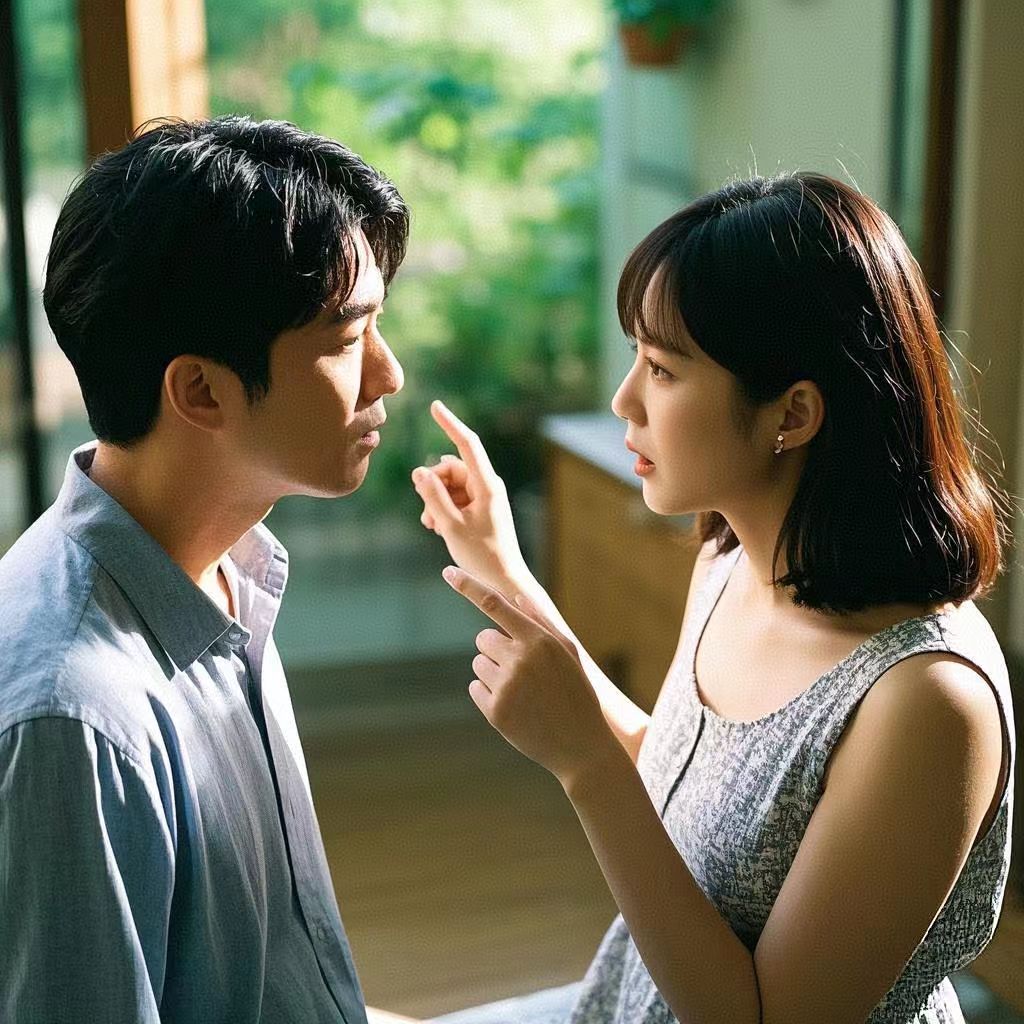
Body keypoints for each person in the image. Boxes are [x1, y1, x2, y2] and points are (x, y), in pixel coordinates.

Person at [411, 173, 1016, 1024]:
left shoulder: (926, 700)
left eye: (662, 369)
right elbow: (690, 787)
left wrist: (584, 767)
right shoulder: (730, 562)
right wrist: (503, 567)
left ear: (791, 414)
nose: (624, 400)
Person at [0, 115, 410, 1023]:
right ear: (200, 391)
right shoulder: (75, 719)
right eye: (348, 338)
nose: (389, 375)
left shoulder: (226, 572)